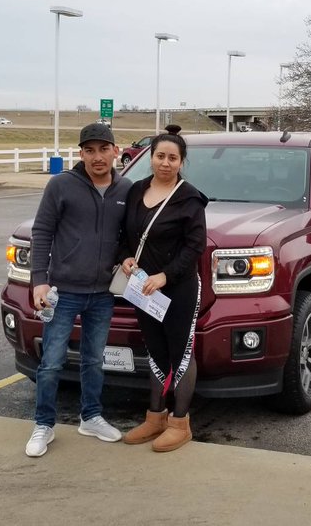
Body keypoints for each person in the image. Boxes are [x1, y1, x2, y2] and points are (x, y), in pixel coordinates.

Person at [25, 123, 132, 458]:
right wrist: (39, 279)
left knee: (94, 360)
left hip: (103, 293)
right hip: (64, 291)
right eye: (89, 150)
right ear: (81, 153)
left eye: (104, 149)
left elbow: (129, 236)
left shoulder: (126, 189)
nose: (97, 157)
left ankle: (91, 416)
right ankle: (43, 424)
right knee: (53, 362)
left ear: (116, 151)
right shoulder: (61, 186)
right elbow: (41, 233)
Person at [117, 133, 208, 452]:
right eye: (160, 156)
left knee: (181, 352)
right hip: (144, 289)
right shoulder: (137, 190)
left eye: (172, 158)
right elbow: (126, 234)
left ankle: (180, 423)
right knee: (154, 350)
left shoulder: (190, 199)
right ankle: (155, 417)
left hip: (178, 289)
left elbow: (195, 246)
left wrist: (165, 276)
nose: (165, 163)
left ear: (182, 162)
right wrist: (125, 257)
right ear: (150, 157)